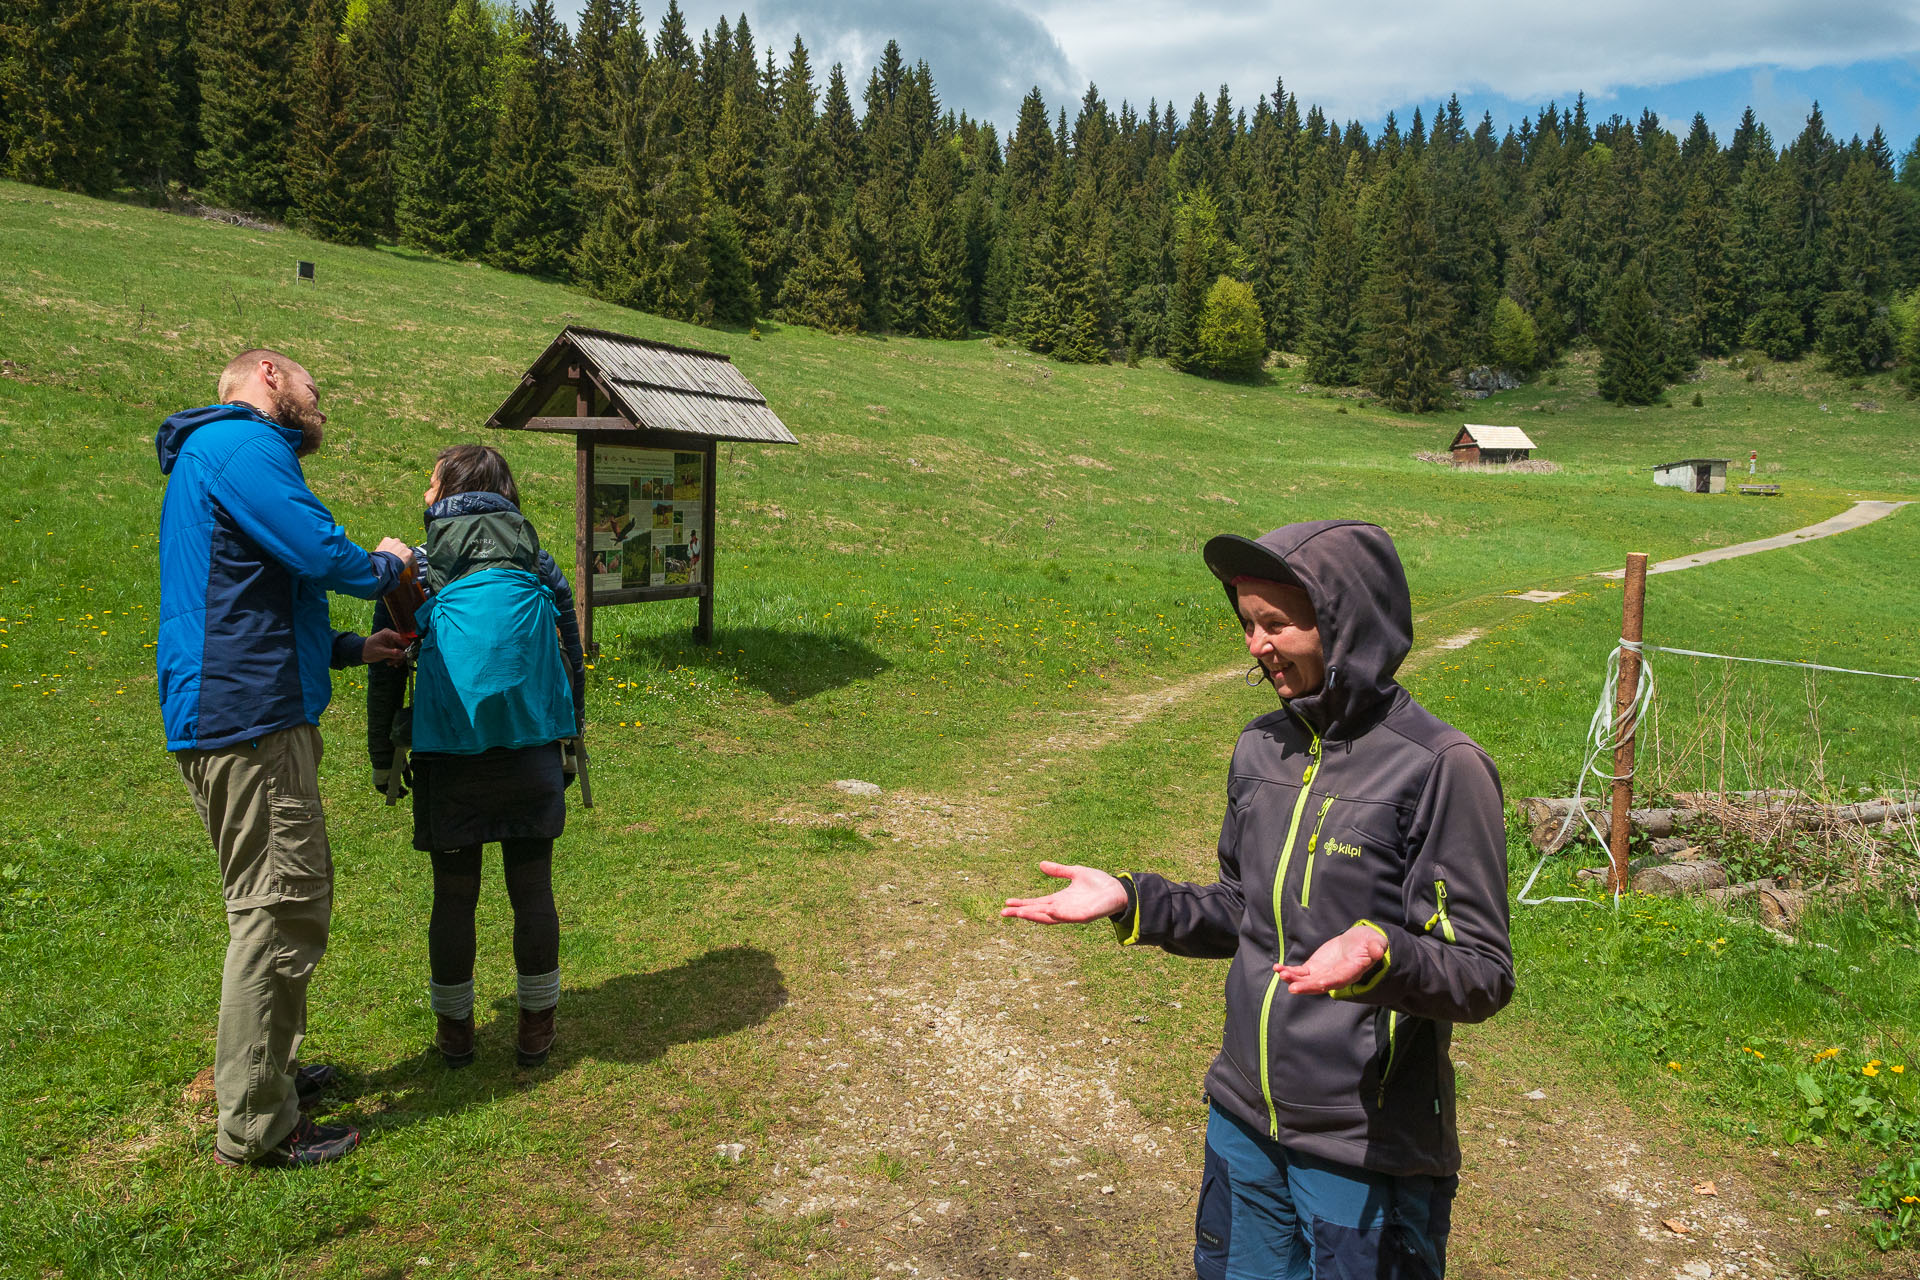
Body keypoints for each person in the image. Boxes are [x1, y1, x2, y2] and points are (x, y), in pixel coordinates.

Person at [1003, 520, 1513, 1279]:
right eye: (1247, 624)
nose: (1256, 646)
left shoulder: (1440, 768)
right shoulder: (1259, 748)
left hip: (1362, 1147)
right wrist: (1129, 901)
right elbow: (1243, 908)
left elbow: (1480, 971)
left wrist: (1384, 953)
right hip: (1243, 1118)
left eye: (1277, 623)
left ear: (1347, 623)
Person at [156, 349, 415, 1168]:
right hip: (251, 722)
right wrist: (389, 566)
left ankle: (273, 1075)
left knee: (273, 902)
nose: (320, 409)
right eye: (314, 390)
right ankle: (259, 1124)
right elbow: (319, 554)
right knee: (278, 908)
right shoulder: (243, 446)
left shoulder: (220, 455)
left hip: (239, 711)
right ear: (268, 372)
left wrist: (347, 649)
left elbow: (258, 594)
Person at [366, 445, 586, 1071]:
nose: (424, 494)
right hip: (532, 749)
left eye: (430, 483)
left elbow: (385, 669)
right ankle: (536, 1028)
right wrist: (570, 742)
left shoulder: (412, 568)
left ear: (448, 490)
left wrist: (384, 754)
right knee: (533, 891)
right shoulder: (537, 562)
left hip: (448, 754)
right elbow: (571, 660)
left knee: (454, 897)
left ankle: (457, 1034)